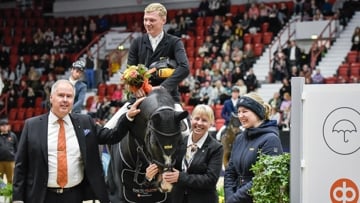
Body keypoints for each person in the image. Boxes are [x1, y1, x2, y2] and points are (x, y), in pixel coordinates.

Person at [12, 79, 144, 203]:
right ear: (51, 98)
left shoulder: (85, 122)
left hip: (75, 195)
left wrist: (127, 118)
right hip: (41, 196)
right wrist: (18, 199)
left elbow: (111, 136)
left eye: (69, 96)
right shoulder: (32, 125)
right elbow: (21, 166)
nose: (65, 100)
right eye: (61, 95)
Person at [224, 92, 284, 203]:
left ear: (258, 112)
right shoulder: (239, 138)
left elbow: (264, 178)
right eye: (239, 112)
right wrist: (229, 197)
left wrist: (234, 200)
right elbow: (230, 172)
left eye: (245, 111)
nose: (240, 116)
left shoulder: (271, 139)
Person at [161, 104, 224, 203]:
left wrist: (181, 177)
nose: (199, 123)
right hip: (178, 198)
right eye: (197, 118)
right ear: (191, 119)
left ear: (211, 123)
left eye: (204, 120)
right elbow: (171, 167)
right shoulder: (179, 142)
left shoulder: (216, 148)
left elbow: (210, 180)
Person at [0, 119, 18, 184]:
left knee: (10, 178)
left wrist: (15, 158)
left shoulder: (13, 136)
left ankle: (9, 192)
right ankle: (1, 192)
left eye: (6, 125)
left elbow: (16, 148)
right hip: (0, 162)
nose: (4, 126)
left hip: (10, 161)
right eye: (2, 125)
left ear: (9, 126)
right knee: (0, 179)